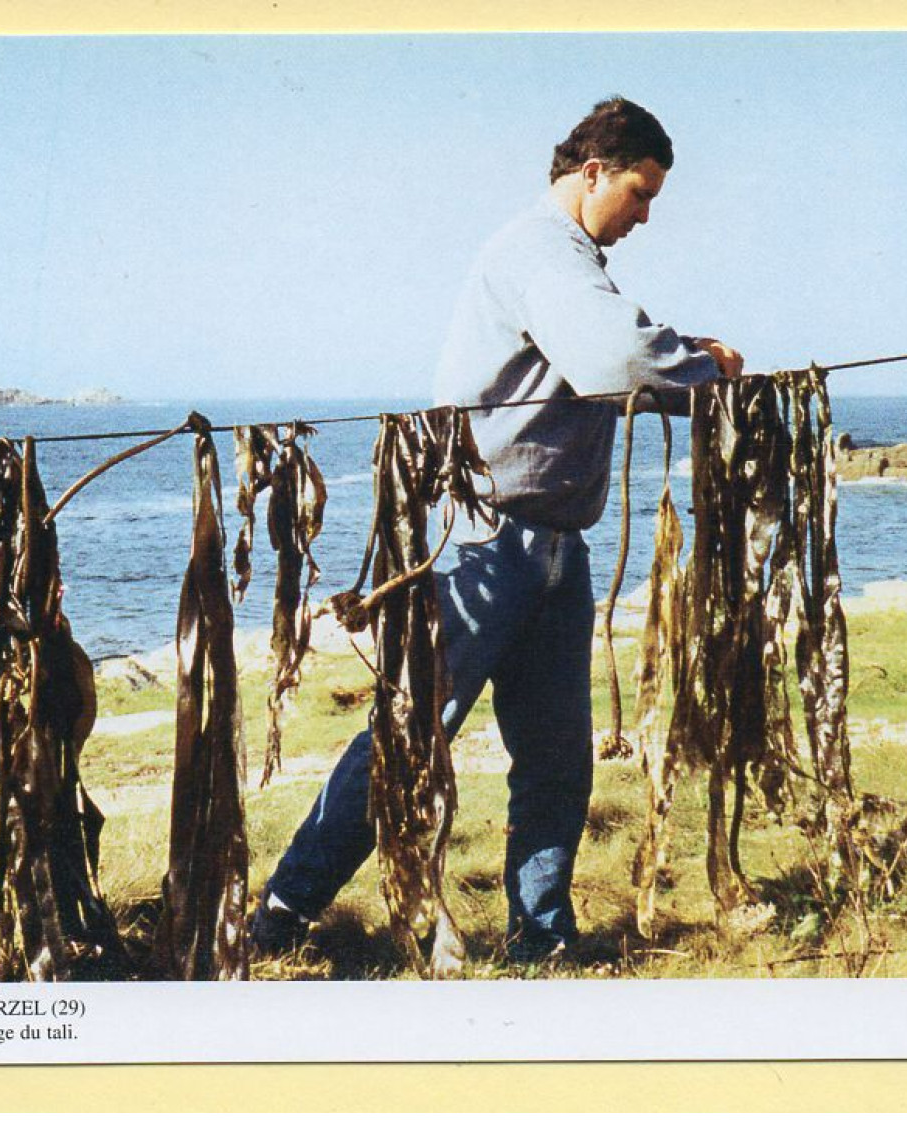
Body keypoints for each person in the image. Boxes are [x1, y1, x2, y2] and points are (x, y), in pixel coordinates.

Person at [251, 97, 745, 964]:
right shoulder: (540, 253)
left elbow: (611, 349)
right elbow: (613, 359)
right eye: (639, 191)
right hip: (486, 543)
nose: (643, 215)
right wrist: (707, 369)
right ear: (593, 172)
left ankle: (541, 937)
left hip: (553, 546)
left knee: (555, 760)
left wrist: (682, 354)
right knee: (408, 739)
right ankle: (281, 916)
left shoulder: (570, 263)